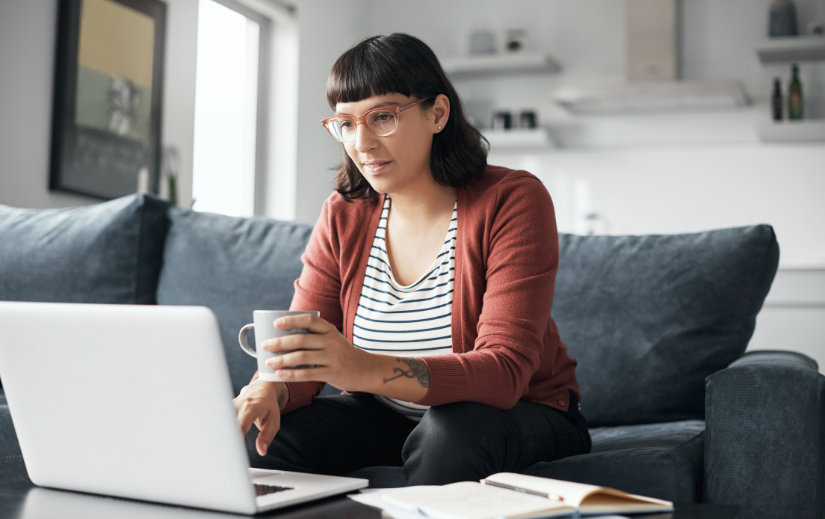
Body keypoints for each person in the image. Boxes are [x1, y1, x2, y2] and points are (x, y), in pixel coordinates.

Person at [232, 33, 591, 485]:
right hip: (386, 413)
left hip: (523, 411)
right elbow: (305, 352)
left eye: (382, 117)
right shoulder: (343, 215)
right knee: (261, 435)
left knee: (447, 434)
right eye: (346, 123)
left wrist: (361, 368)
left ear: (437, 113)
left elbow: (503, 372)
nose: (361, 143)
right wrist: (271, 389)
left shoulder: (512, 199)